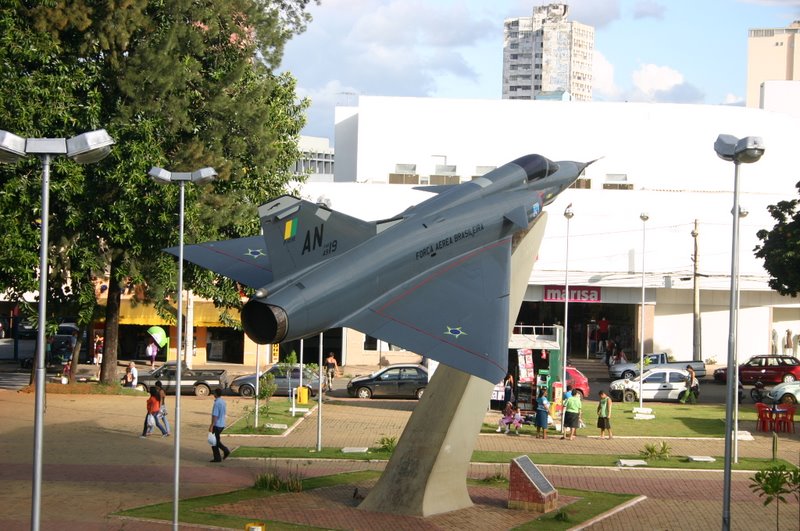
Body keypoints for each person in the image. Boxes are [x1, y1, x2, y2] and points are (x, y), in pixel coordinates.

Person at [209, 388, 230, 462]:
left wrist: (212, 425)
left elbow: (215, 415)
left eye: (214, 393)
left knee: (214, 442)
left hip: (217, 424)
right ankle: (218, 456)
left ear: (216, 394)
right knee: (215, 441)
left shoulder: (217, 403)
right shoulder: (222, 402)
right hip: (222, 424)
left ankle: (223, 452)